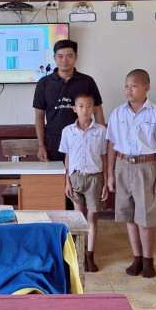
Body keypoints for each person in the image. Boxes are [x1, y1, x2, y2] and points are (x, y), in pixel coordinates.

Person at [106, 69, 156, 278]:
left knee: (146, 217)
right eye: (126, 86)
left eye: (134, 86)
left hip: (146, 166)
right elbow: (111, 144)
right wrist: (110, 174)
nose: (129, 90)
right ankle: (136, 258)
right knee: (129, 215)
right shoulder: (118, 113)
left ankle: (148, 260)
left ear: (147, 88)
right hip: (123, 165)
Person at [59, 92, 108, 272]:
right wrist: (67, 182)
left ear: (93, 108)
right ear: (74, 109)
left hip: (95, 178)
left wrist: (105, 181)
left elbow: (104, 157)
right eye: (80, 106)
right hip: (75, 178)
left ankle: (90, 255)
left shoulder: (101, 131)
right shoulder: (68, 131)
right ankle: (79, 253)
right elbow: (67, 158)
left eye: (89, 106)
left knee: (92, 217)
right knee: (78, 218)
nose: (85, 110)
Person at [33, 39, 104, 163]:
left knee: (82, 174)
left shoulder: (87, 81)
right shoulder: (44, 83)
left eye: (69, 56)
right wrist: (41, 146)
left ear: (76, 57)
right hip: (53, 143)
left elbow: (97, 111)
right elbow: (39, 116)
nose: (64, 60)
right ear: (54, 58)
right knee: (57, 175)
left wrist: (101, 140)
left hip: (83, 141)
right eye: (60, 56)